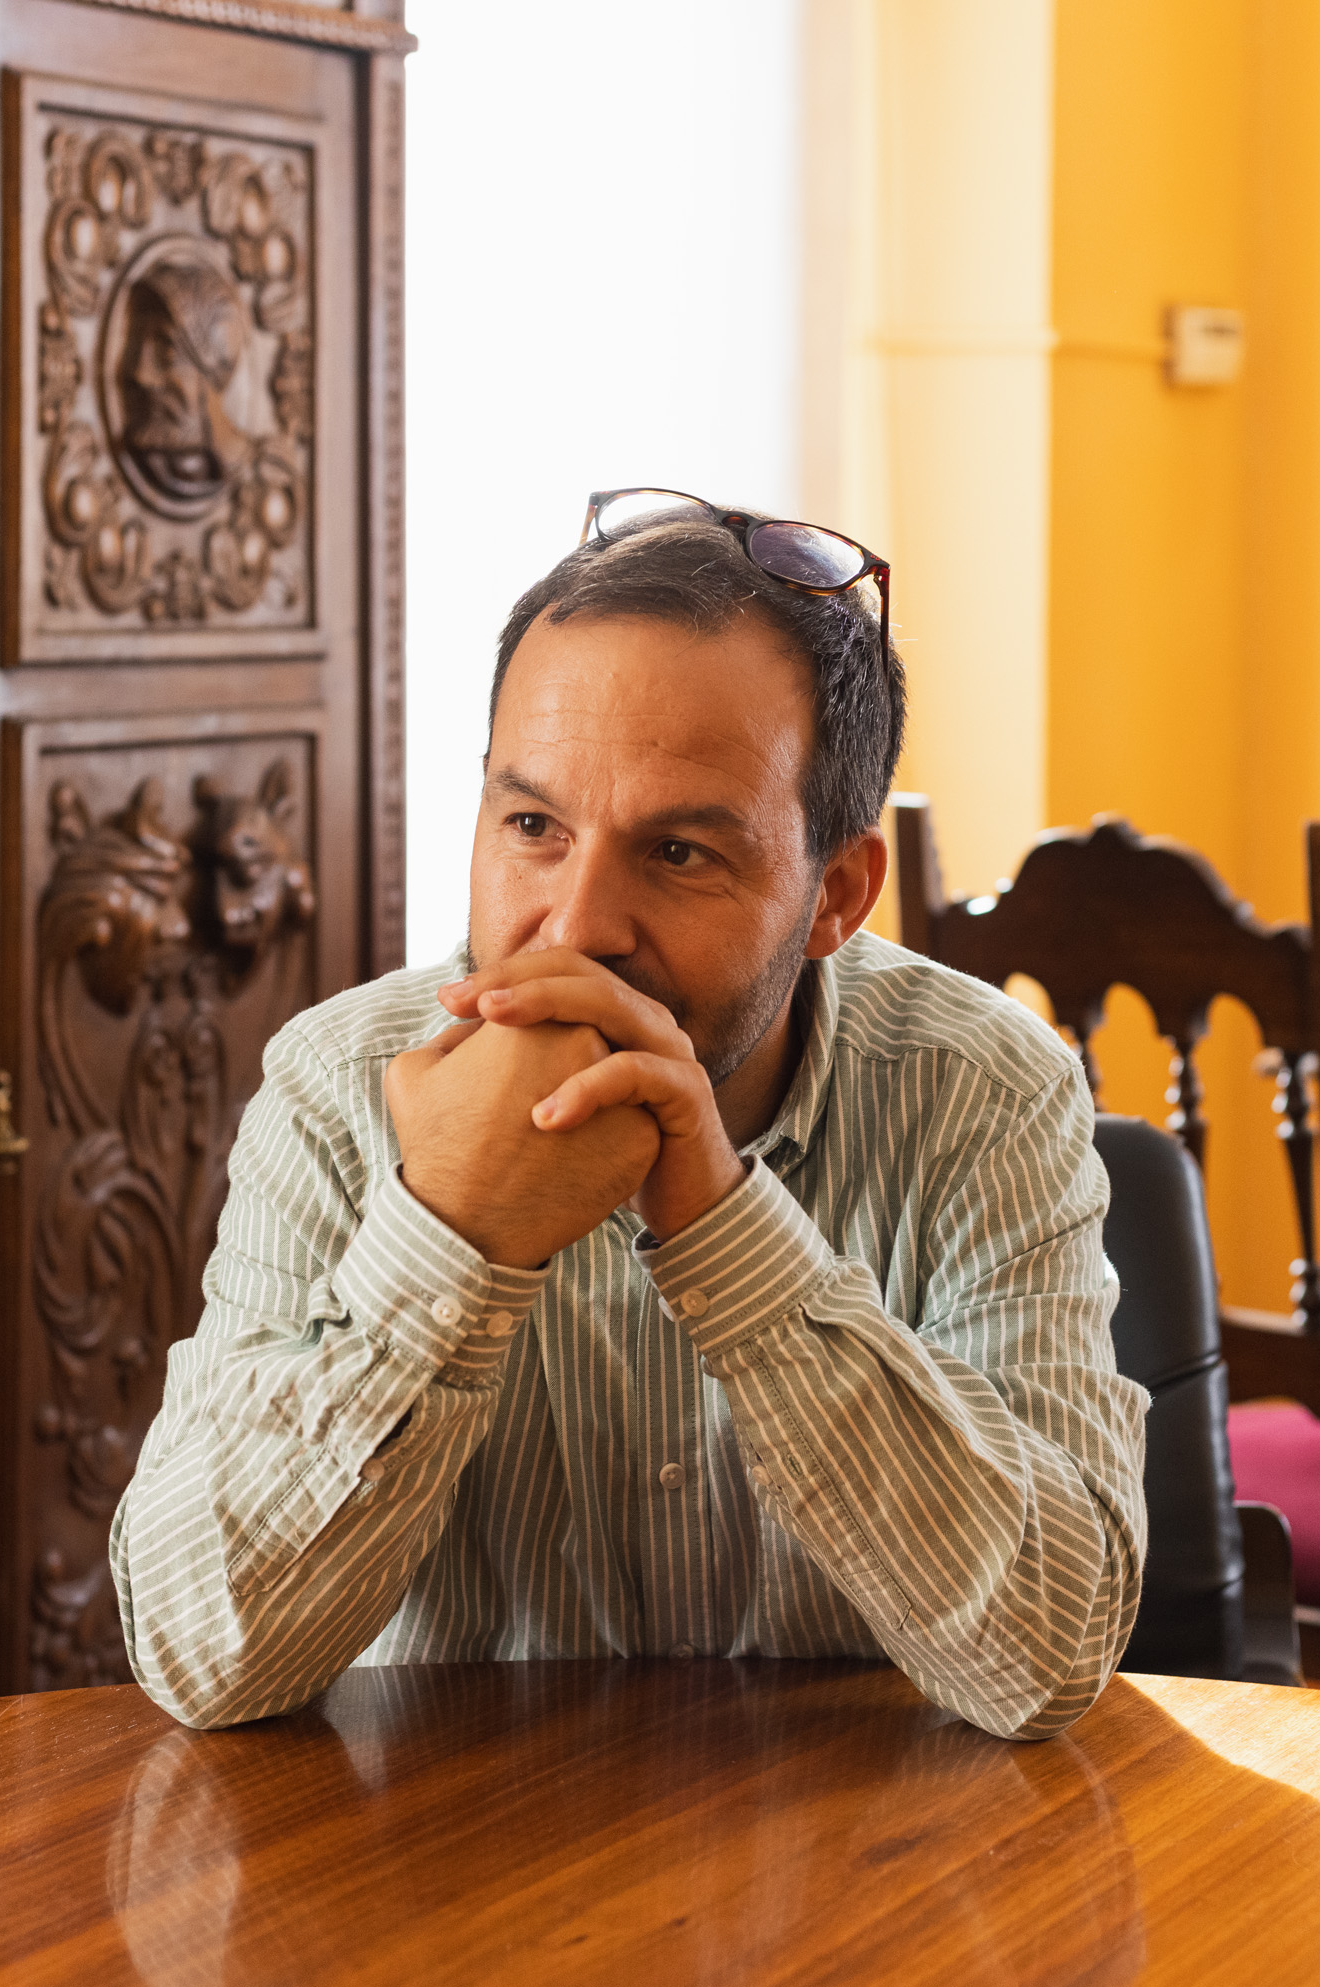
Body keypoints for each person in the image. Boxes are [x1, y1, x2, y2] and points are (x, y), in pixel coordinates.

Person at [111, 489, 1148, 1740]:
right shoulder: (339, 1085)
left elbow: (1048, 1656)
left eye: (679, 854)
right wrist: (450, 1235)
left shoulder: (982, 1087)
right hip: (452, 1844)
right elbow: (202, 1656)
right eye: (533, 825)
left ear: (836, 892)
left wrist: (723, 1230)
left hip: (874, 1840)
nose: (578, 927)